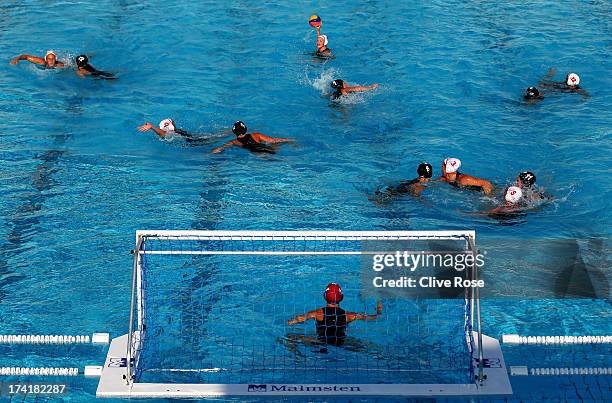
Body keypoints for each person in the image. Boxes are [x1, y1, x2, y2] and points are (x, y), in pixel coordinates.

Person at [287, 283, 382, 347]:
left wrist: (289, 322)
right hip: (342, 343)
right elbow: (374, 318)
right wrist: (379, 309)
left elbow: (299, 319)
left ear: (325, 296)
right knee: (365, 346)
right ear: (341, 297)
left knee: (290, 337)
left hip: (320, 343)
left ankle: (297, 356)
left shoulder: (317, 313)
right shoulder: (348, 315)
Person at [210, 121, 293, 154]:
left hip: (258, 154)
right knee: (276, 148)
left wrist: (209, 154)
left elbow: (220, 148)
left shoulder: (234, 142)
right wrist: (289, 140)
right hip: (269, 148)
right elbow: (273, 140)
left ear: (234, 132)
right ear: (245, 129)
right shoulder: (256, 135)